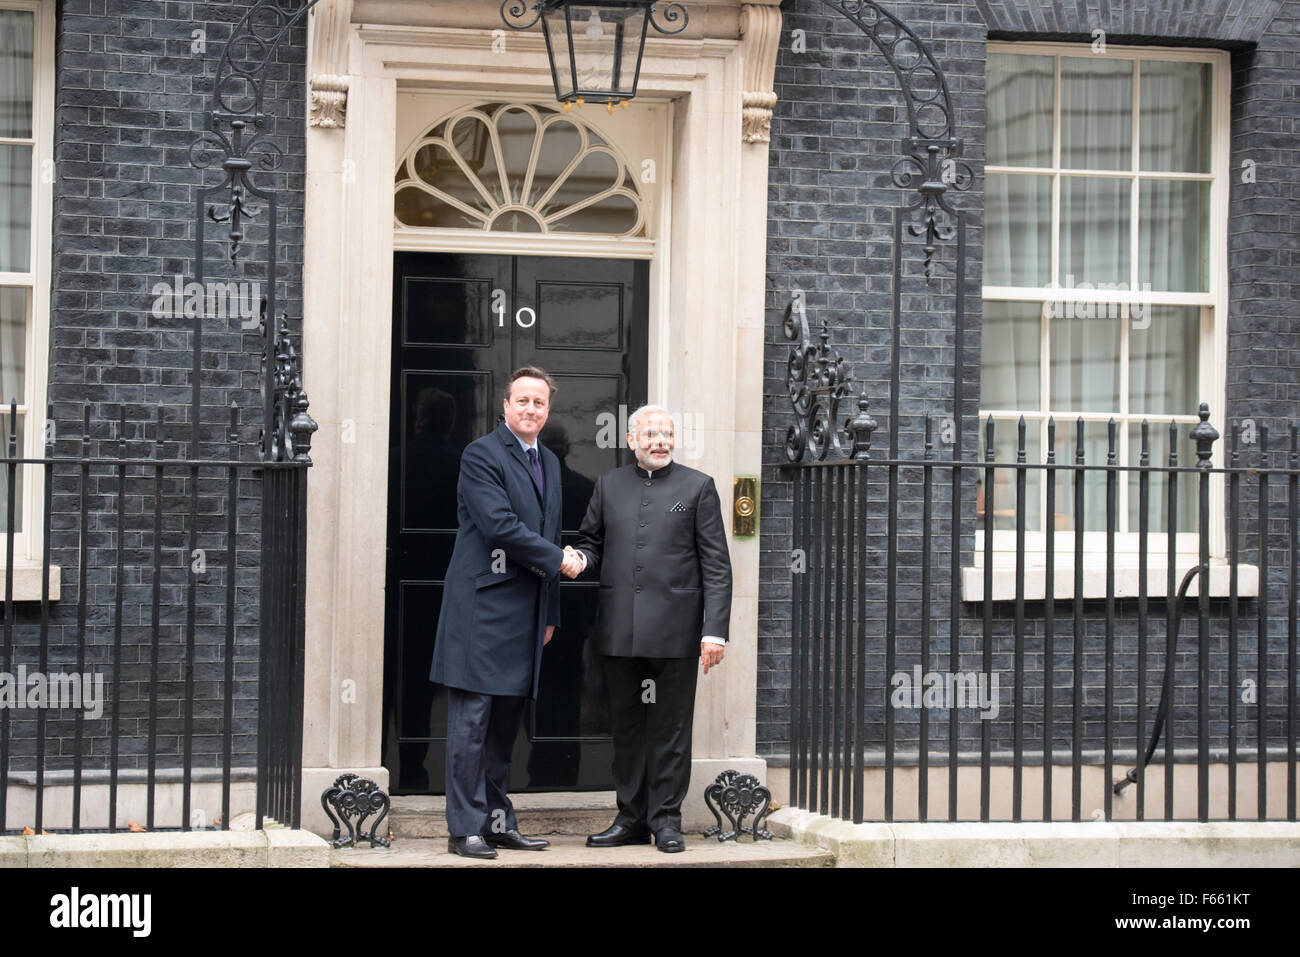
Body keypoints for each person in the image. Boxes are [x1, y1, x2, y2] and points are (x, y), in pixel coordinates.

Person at [429, 367, 584, 859]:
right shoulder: (481, 455)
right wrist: (560, 559)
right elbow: (500, 525)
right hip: (481, 611)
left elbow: (552, 531)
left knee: (502, 731)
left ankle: (497, 823)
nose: (530, 409)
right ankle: (464, 830)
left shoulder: (551, 464)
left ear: (547, 411)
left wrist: (551, 611)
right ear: (505, 405)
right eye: (522, 400)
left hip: (527, 613)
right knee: (471, 727)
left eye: (539, 403)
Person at [565, 405, 732, 853]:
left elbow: (716, 565)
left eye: (667, 434)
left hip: (676, 634)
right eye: (651, 433)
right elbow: (591, 542)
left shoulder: (697, 487)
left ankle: (666, 820)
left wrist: (714, 631)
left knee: (670, 730)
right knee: (628, 729)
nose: (660, 441)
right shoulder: (609, 485)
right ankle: (631, 817)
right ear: (632, 438)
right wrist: (580, 559)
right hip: (620, 631)